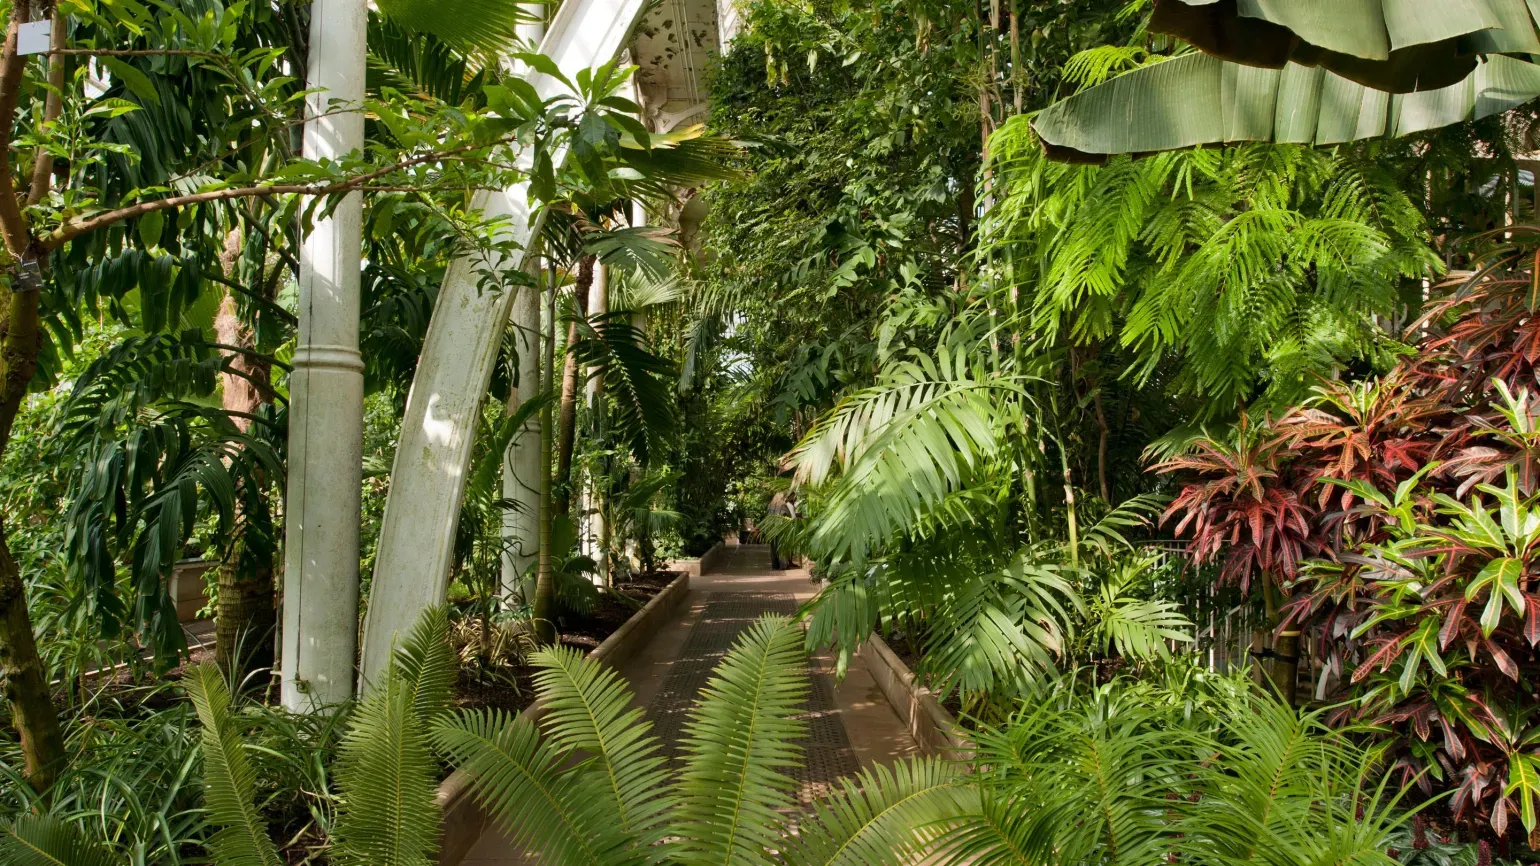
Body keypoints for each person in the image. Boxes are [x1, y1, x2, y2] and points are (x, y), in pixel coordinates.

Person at [767, 489, 797, 570]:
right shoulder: (784, 505)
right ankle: (783, 565)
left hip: (771, 528)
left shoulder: (771, 505)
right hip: (781, 528)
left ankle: (775, 565)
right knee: (782, 546)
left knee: (773, 547)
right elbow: (789, 516)